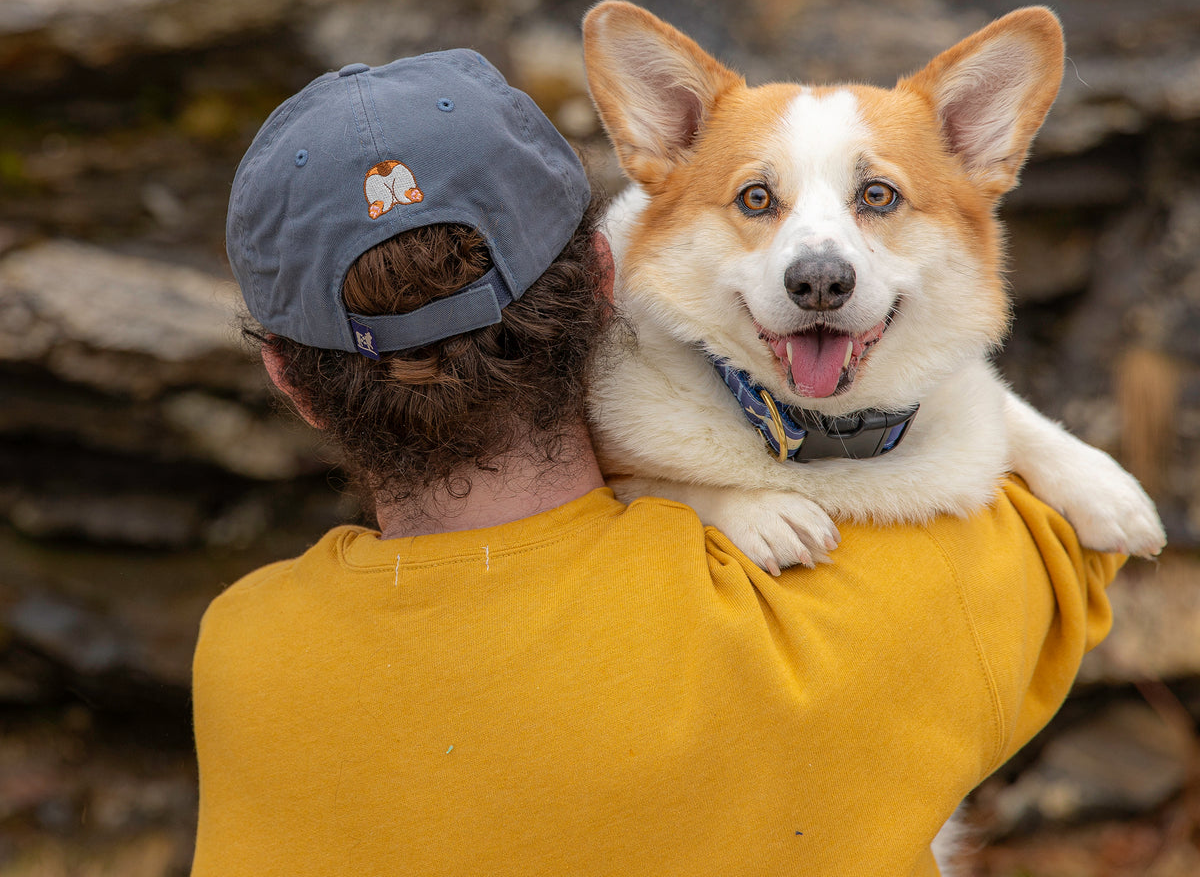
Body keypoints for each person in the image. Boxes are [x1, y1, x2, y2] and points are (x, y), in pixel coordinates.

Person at [193, 47, 1123, 877]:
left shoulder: (242, 661)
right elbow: (1081, 535)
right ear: (608, 279)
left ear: (289, 379)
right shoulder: (903, 601)